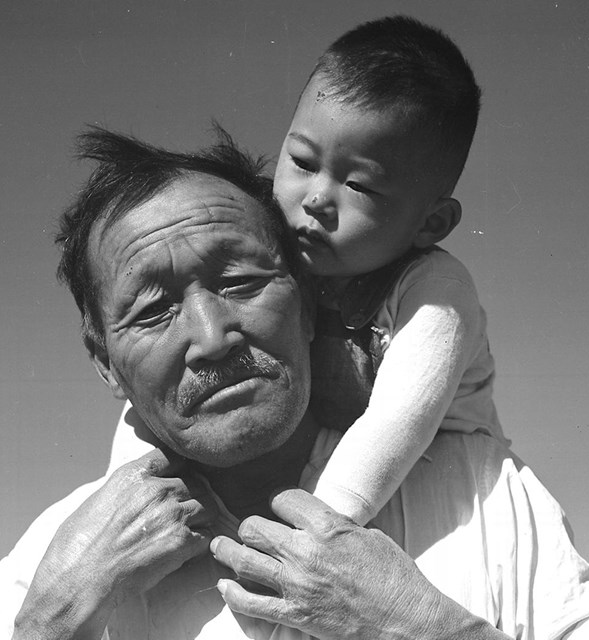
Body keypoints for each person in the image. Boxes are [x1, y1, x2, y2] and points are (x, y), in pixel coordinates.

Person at [0, 129, 589, 639]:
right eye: (153, 312)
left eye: (239, 282)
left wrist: (418, 626)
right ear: (104, 365)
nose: (212, 337)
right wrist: (51, 622)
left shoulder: (476, 484)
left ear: (311, 301)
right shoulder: (49, 563)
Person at [110, 14, 507, 527]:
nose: (317, 198)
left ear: (432, 222)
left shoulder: (434, 291)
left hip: (439, 487)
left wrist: (314, 533)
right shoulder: (276, 256)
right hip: (330, 467)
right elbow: (151, 398)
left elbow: (398, 422)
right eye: (301, 160)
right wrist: (124, 502)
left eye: (360, 187)